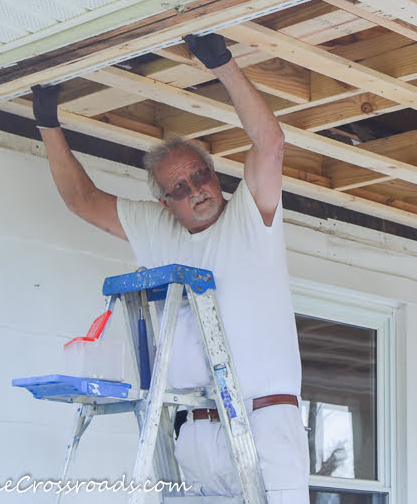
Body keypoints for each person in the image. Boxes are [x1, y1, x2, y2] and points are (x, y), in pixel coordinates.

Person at [31, 33, 308, 503]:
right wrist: (46, 121)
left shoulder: (249, 215)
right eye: (180, 187)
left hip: (263, 426)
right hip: (195, 432)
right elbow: (82, 200)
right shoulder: (158, 229)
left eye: (201, 175)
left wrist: (220, 62)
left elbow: (271, 142)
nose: (196, 189)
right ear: (164, 202)